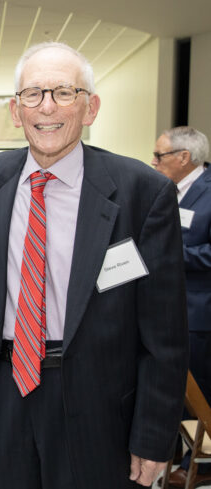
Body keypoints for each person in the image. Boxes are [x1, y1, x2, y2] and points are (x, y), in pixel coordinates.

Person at [0, 42, 188, 489]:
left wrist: (153, 434)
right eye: (33, 94)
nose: (47, 107)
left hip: (100, 404)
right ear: (15, 110)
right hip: (4, 393)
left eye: (64, 92)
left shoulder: (142, 193)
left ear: (90, 108)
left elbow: (165, 334)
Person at [152, 126, 211, 488]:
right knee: (168, 385)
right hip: (164, 307)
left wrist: (172, 255)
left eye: (159, 156)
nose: (153, 162)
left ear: (183, 158)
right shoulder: (167, 191)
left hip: (198, 313)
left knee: (198, 392)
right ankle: (169, 451)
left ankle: (201, 463)